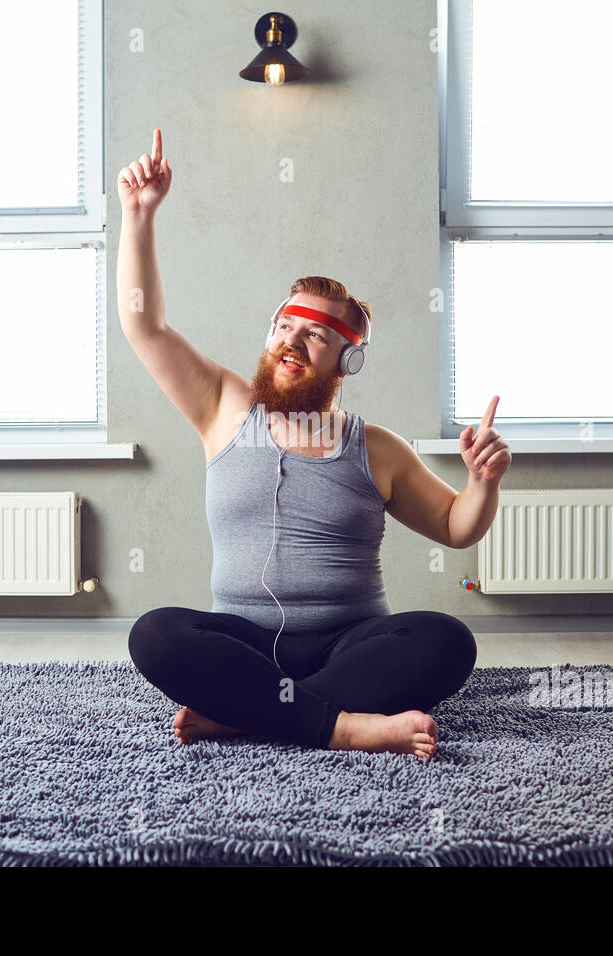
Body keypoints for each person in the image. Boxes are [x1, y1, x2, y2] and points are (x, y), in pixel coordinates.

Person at [116, 129, 512, 760]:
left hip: (346, 643)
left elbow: (457, 526)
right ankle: (345, 727)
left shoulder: (373, 447)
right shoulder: (223, 406)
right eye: (283, 327)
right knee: (156, 635)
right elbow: (144, 325)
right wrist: (138, 217)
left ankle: (248, 714)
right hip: (244, 641)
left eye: (314, 337)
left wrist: (482, 484)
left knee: (446, 641)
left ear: (347, 361)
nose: (290, 342)